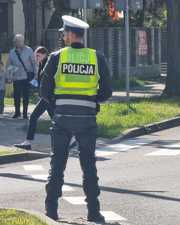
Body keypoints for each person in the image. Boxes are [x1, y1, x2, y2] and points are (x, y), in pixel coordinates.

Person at [40, 15, 112, 222]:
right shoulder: (96, 57)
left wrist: (58, 104)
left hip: (62, 118)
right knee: (89, 165)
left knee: (58, 164)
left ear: (71, 34)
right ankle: (93, 212)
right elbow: (107, 91)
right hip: (87, 119)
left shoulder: (56, 57)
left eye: (64, 33)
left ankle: (51, 210)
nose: (63, 37)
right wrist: (92, 102)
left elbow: (44, 91)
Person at [14, 46, 54, 150]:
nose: (36, 58)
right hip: (47, 97)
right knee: (56, 120)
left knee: (33, 117)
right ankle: (70, 139)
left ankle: (28, 142)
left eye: (38, 56)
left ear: (44, 55)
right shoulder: (42, 64)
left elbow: (50, 81)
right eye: (35, 56)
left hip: (47, 97)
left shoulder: (47, 64)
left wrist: (44, 93)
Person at [7, 34, 37, 119]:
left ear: (23, 41)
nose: (18, 43)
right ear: (14, 42)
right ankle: (17, 112)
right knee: (16, 96)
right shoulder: (12, 52)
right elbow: (9, 65)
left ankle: (24, 113)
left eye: (20, 41)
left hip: (26, 77)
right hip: (16, 78)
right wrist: (9, 76)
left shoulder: (29, 50)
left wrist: (36, 75)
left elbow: (34, 63)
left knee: (26, 96)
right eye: (16, 41)